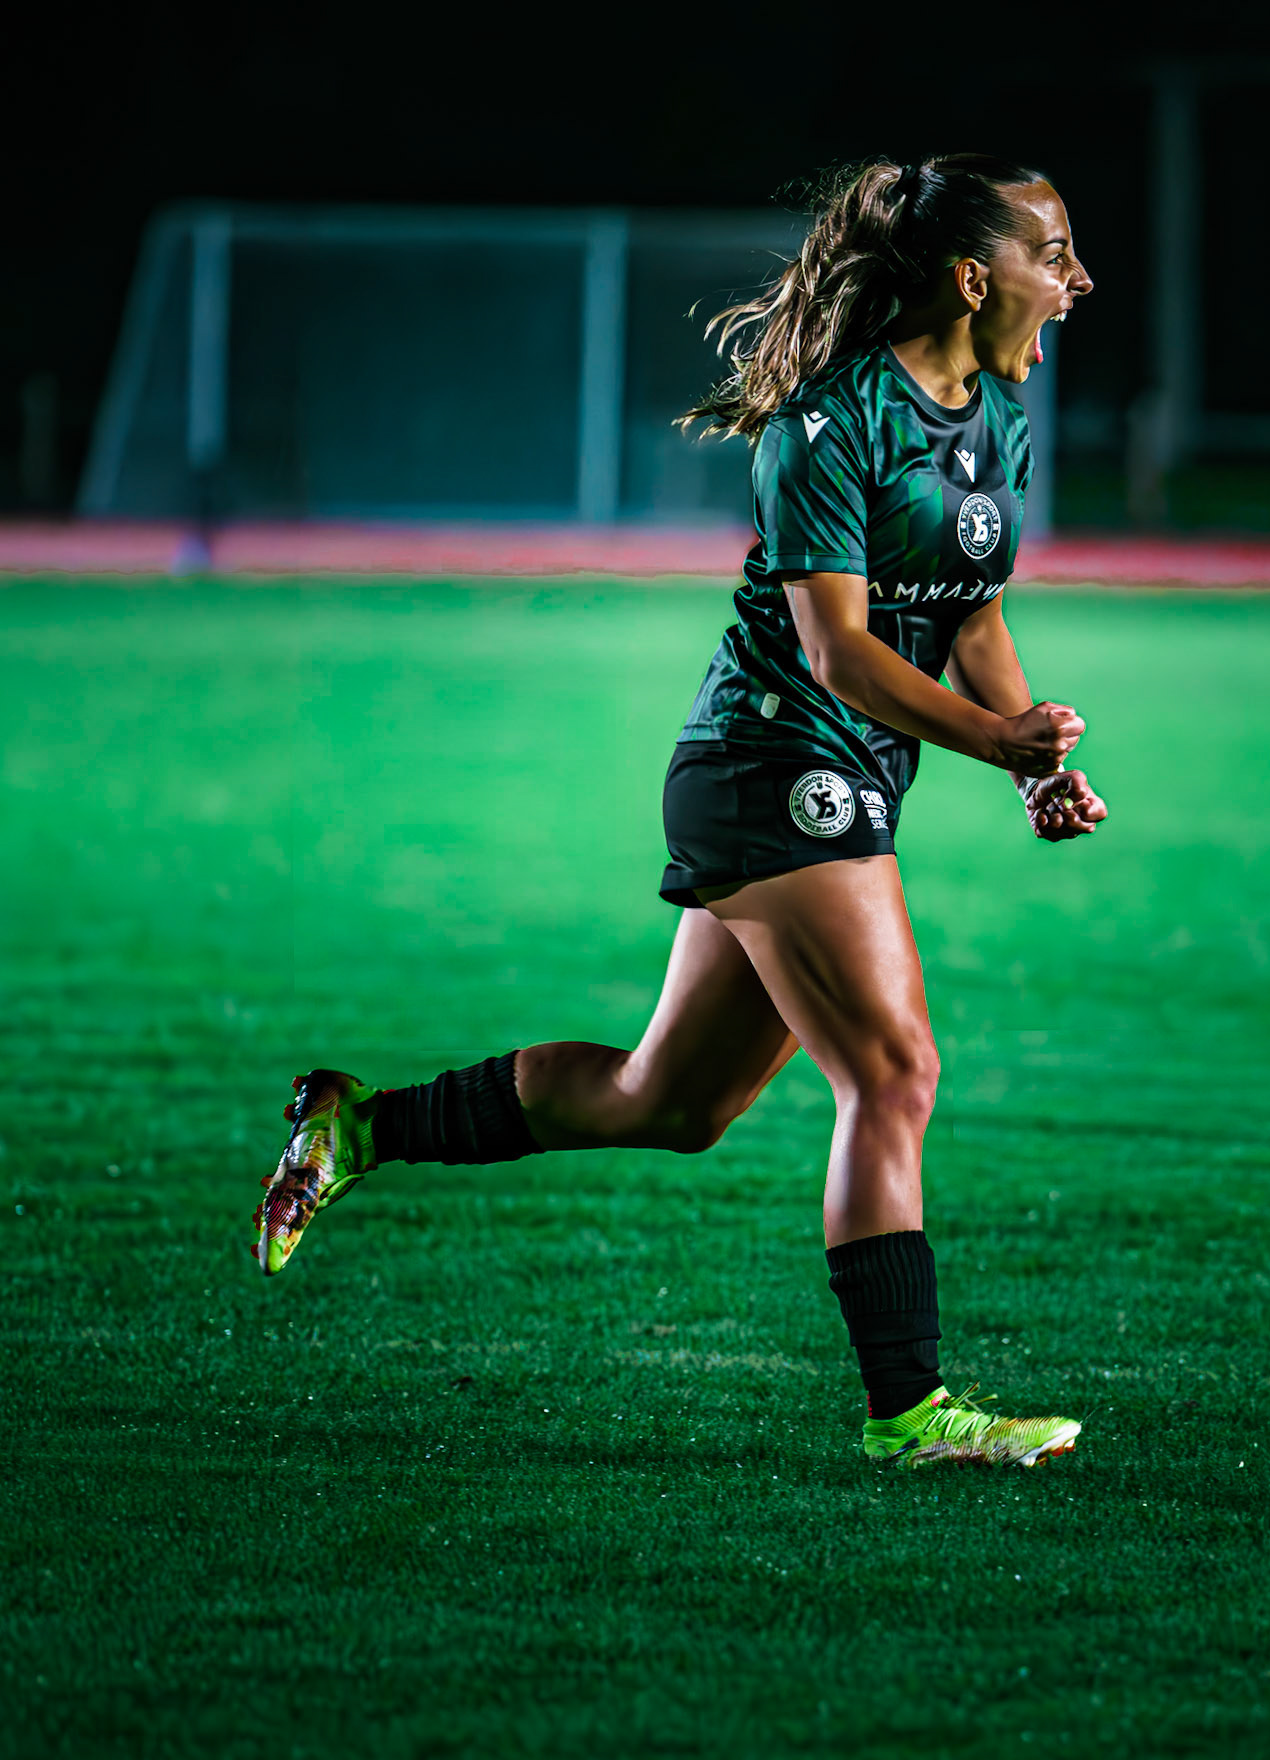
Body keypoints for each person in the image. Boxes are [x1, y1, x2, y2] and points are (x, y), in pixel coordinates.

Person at [255, 153, 1107, 1469]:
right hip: (774, 763)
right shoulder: (830, 425)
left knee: (670, 1103)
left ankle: (357, 1124)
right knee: (891, 1074)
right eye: (1053, 255)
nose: (1076, 280)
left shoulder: (996, 414)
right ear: (967, 273)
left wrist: (1030, 760)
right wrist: (997, 740)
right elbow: (836, 654)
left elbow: (968, 610)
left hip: (836, 773)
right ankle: (911, 1414)